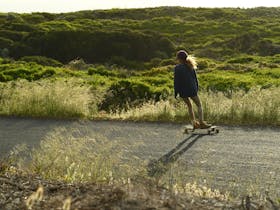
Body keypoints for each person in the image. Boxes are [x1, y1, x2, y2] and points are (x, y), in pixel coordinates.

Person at [174, 50, 211, 129]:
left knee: (189, 106)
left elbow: (176, 81)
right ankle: (201, 122)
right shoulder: (190, 65)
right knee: (199, 105)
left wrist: (176, 92)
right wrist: (196, 88)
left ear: (179, 59)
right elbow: (195, 79)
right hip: (191, 89)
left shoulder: (177, 68)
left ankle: (194, 123)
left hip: (182, 91)